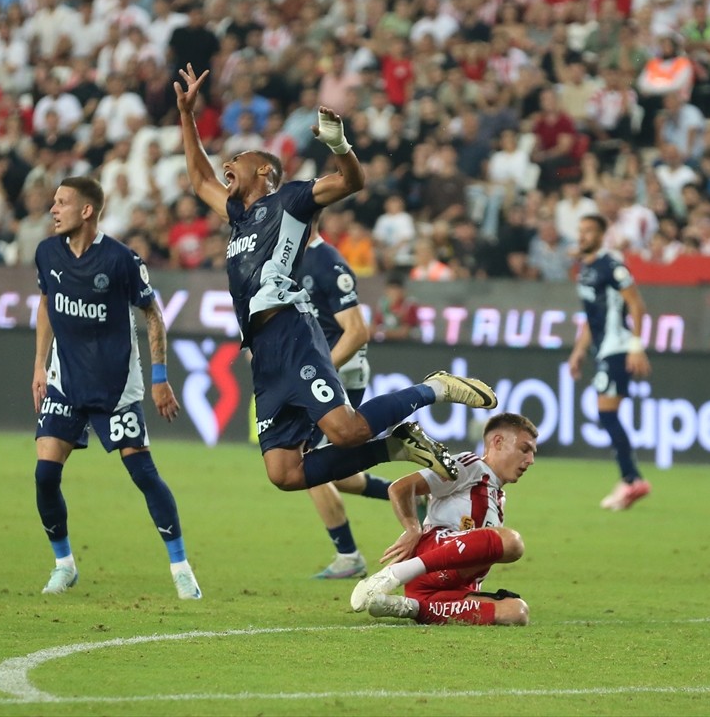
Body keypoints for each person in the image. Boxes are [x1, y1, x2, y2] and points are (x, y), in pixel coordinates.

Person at [175, 64, 498, 493]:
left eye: (240, 159)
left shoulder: (289, 201)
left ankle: (434, 388)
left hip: (292, 332)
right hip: (264, 351)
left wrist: (340, 145)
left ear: (265, 173)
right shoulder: (238, 218)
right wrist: (186, 114)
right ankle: (397, 447)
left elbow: (352, 180)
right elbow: (199, 179)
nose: (228, 163)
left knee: (346, 430)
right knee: (285, 474)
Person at [31, 177, 201, 600]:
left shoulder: (121, 260)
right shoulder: (47, 252)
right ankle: (63, 565)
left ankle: (181, 568)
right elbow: (47, 303)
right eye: (53, 202)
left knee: (143, 474)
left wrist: (160, 379)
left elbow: (153, 315)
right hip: (64, 381)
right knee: (45, 474)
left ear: (86, 211)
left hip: (115, 387)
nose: (53, 209)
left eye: (62, 202)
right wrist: (39, 363)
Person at [349, 413, 538, 626]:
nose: (530, 460)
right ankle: (392, 574)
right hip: (429, 562)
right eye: (525, 449)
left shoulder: (498, 496)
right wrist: (413, 528)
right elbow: (401, 488)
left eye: (532, 453)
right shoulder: (472, 466)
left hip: (451, 590)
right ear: (498, 442)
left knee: (517, 612)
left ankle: (411, 608)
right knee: (511, 542)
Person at [300, 212, 393, 580]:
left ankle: (348, 555)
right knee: (332, 470)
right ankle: (408, 492)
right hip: (317, 372)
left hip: (338, 373)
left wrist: (321, 369)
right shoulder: (289, 258)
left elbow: (357, 332)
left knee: (305, 463)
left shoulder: (328, 262)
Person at [568, 214, 653, 511]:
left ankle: (632, 479)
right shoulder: (584, 269)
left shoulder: (612, 266)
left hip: (618, 346)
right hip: (602, 349)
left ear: (602, 235)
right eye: (580, 230)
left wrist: (636, 346)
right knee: (607, 414)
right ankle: (630, 479)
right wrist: (578, 352)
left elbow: (637, 305)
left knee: (607, 414)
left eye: (589, 231)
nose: (582, 236)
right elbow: (592, 318)